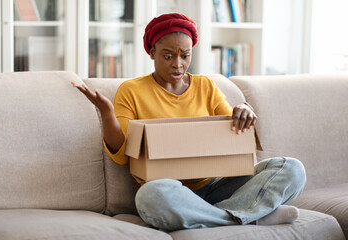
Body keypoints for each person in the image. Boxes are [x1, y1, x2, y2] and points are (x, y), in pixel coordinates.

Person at [72, 13, 306, 232]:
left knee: (292, 169)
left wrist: (243, 109)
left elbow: (230, 126)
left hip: (218, 186)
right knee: (150, 196)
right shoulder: (132, 91)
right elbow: (122, 155)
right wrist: (106, 113)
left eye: (185, 55)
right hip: (171, 192)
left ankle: (221, 216)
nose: (177, 64)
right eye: (167, 56)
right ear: (152, 52)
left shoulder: (206, 86)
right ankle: (252, 216)